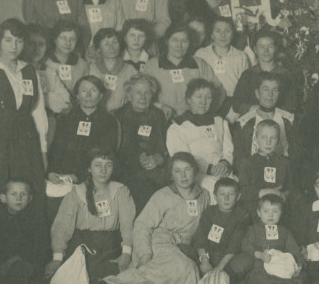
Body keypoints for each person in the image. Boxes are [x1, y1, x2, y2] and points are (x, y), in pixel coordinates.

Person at [0, 18, 49, 226]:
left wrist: (43, 151)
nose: (13, 46)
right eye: (8, 40)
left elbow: (38, 113)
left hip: (27, 145)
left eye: (19, 41)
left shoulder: (30, 71)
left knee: (28, 195)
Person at [97, 152, 208, 284]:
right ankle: (114, 281)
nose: (183, 175)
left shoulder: (204, 196)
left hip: (181, 245)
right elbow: (142, 225)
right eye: (177, 171)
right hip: (158, 241)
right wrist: (144, 253)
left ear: (195, 171)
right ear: (171, 175)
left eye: (187, 169)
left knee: (174, 269)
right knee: (186, 268)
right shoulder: (162, 195)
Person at [45, 149, 136, 284]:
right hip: (84, 246)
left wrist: (126, 253)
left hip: (111, 247)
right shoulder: (76, 192)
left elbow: (128, 224)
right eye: (98, 165)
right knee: (80, 272)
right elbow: (62, 226)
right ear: (89, 168)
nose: (103, 170)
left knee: (126, 269)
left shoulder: (121, 191)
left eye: (108, 165)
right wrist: (57, 258)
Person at [45, 76, 120, 188]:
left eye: (93, 90)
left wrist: (78, 176)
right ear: (77, 95)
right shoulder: (64, 119)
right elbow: (56, 149)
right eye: (84, 91)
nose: (88, 95)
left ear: (101, 96)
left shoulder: (108, 121)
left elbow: (105, 154)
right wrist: (50, 172)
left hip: (92, 178)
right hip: (61, 177)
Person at [165, 78, 235, 197]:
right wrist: (209, 169)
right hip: (196, 174)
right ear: (189, 100)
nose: (203, 102)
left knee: (234, 186)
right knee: (217, 189)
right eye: (199, 97)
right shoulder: (177, 126)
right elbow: (182, 159)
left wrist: (224, 164)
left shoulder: (220, 121)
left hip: (222, 170)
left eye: (208, 97)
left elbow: (228, 149)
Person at [0, 179, 47, 284]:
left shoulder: (35, 221)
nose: (19, 198)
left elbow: (37, 249)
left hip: (21, 262)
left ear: (30, 198)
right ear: (3, 198)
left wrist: (14, 261)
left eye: (23, 194)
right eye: (13, 194)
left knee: (22, 272)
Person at [113, 74, 170, 212]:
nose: (142, 97)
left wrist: (159, 158)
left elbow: (167, 146)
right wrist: (137, 158)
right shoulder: (117, 116)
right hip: (127, 170)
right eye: (138, 92)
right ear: (129, 94)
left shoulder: (158, 115)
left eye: (147, 92)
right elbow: (115, 150)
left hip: (156, 168)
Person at [144, 23, 223, 119]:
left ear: (190, 43)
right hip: (162, 120)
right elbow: (141, 95)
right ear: (166, 41)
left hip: (193, 122)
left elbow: (219, 91)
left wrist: (206, 112)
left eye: (184, 41)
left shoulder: (200, 64)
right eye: (174, 40)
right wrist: (160, 107)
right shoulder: (152, 65)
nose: (179, 45)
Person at [236, 193, 306, 284]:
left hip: (280, 265)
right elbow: (246, 245)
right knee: (260, 277)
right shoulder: (253, 229)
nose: (270, 215)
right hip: (261, 265)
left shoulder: (284, 231)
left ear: (281, 213)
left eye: (275, 211)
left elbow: (293, 248)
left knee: (303, 277)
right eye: (266, 211)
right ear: (259, 213)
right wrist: (259, 255)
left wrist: (299, 264)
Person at [191, 177, 253, 284]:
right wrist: (204, 260)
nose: (226, 198)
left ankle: (216, 278)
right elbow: (200, 236)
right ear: (215, 196)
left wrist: (219, 268)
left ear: (238, 196)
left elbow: (235, 245)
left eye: (231, 194)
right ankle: (212, 278)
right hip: (207, 255)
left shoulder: (242, 215)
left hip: (227, 259)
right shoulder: (209, 211)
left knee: (245, 262)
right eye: (222, 194)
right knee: (183, 249)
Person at [230, 28, 302, 115]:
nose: (266, 51)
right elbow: (236, 104)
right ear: (255, 49)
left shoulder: (285, 74)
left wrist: (272, 112)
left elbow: (292, 104)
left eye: (270, 46)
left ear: (275, 49)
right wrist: (256, 109)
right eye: (261, 47)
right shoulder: (248, 75)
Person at [231, 71, 294, 159]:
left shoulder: (289, 120)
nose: (270, 94)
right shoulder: (243, 122)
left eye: (275, 90)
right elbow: (238, 158)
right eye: (265, 89)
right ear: (257, 93)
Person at [193, 15, 250, 112]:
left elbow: (244, 87)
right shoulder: (201, 54)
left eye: (227, 31)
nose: (222, 35)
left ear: (232, 34)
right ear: (211, 34)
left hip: (233, 104)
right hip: (207, 103)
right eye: (218, 31)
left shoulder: (241, 56)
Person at [235, 119, 291, 215]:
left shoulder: (283, 162)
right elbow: (243, 191)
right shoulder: (248, 162)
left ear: (278, 140)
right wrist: (266, 192)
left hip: (277, 211)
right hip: (254, 210)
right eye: (264, 137)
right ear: (256, 139)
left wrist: (283, 195)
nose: (268, 142)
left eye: (273, 138)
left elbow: (290, 187)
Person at [87, 28, 135, 112]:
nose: (111, 47)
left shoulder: (130, 70)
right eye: (106, 44)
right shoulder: (90, 69)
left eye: (115, 42)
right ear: (98, 48)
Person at [46, 20, 88, 95]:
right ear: (55, 39)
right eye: (63, 38)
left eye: (72, 39)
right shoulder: (45, 62)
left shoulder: (82, 64)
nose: (68, 43)